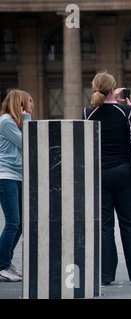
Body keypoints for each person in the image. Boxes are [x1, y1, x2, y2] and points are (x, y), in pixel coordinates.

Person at [82, 72, 131, 285]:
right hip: (125, 172)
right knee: (130, 223)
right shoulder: (126, 111)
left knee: (105, 226)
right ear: (113, 89)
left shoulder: (87, 113)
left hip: (100, 174)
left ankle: (105, 276)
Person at [0, 89, 34, 282]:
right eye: (30, 102)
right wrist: (27, 119)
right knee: (13, 223)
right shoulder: (6, 122)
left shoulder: (12, 123)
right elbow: (27, 143)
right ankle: (2, 265)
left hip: (17, 177)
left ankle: (5, 262)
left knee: (20, 224)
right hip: (6, 176)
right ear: (20, 104)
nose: (32, 106)